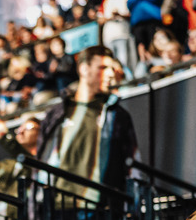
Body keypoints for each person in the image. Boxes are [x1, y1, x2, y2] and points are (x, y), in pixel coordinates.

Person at [36, 45, 138, 202]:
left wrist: (134, 213)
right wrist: (33, 215)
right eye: (103, 67)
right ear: (84, 69)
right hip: (57, 209)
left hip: (101, 211)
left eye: (112, 68)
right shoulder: (57, 113)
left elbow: (132, 167)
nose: (111, 74)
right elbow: (41, 163)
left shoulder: (117, 115)